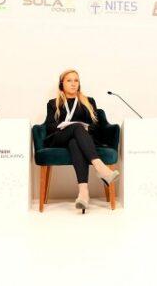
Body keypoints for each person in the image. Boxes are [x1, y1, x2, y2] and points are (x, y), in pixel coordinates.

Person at [44, 69, 119, 213]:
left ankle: (83, 193)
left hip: (83, 139)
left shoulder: (88, 101)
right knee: (76, 127)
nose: (73, 84)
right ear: (61, 84)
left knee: (75, 141)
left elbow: (96, 125)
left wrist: (85, 128)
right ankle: (100, 168)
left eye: (76, 80)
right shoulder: (53, 103)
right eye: (69, 80)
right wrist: (68, 126)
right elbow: (49, 126)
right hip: (59, 137)